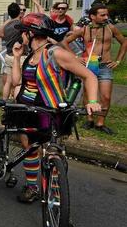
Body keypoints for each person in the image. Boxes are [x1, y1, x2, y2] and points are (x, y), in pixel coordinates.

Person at [12, 13, 102, 203]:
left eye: (23, 33)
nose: (21, 37)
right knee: (30, 148)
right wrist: (17, 58)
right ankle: (32, 187)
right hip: (27, 111)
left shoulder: (56, 53)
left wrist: (92, 101)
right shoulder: (31, 55)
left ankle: (57, 201)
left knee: (54, 154)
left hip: (50, 112)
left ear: (30, 33)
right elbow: (19, 82)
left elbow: (90, 76)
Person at [62, 3, 127, 135]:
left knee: (106, 96)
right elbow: (65, 42)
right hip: (89, 66)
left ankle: (100, 123)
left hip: (105, 67)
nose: (106, 17)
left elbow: (124, 41)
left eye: (106, 14)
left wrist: (118, 60)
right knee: (87, 95)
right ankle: (90, 119)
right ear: (92, 16)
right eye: (102, 15)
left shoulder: (111, 28)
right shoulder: (84, 29)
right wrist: (75, 57)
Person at [0, 2, 26, 99]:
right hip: (19, 57)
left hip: (8, 56)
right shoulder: (20, 25)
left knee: (8, 83)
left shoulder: (7, 26)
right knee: (18, 83)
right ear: (19, 12)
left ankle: (4, 102)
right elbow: (25, 40)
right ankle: (17, 103)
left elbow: (0, 34)